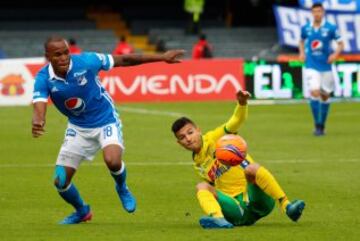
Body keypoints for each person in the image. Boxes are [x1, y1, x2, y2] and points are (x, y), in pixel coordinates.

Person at [32, 36, 184, 224]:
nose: (63, 58)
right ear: (48, 57)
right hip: (78, 128)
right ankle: (82, 212)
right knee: (60, 181)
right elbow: (39, 103)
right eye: (57, 55)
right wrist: (38, 119)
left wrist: (162, 57)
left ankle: (122, 187)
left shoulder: (87, 61)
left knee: (112, 160)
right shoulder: (43, 78)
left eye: (66, 53)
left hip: (105, 120)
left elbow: (124, 60)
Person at [171, 90, 305, 229]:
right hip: (237, 210)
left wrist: (242, 103)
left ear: (198, 130)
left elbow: (235, 121)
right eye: (182, 137)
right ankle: (218, 220)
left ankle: (287, 207)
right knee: (202, 186)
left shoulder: (215, 138)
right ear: (179, 143)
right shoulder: (198, 164)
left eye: (190, 132)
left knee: (252, 169)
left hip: (257, 200)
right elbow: (213, 187)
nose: (188, 138)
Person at [299, 3, 343, 136]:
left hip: (326, 66)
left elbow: (341, 43)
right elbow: (301, 41)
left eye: (319, 11)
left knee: (325, 96)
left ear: (323, 12)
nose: (317, 14)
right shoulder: (306, 28)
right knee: (314, 91)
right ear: (312, 13)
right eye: (314, 11)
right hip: (311, 65)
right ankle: (317, 125)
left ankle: (322, 125)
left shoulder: (331, 28)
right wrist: (301, 53)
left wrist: (335, 55)